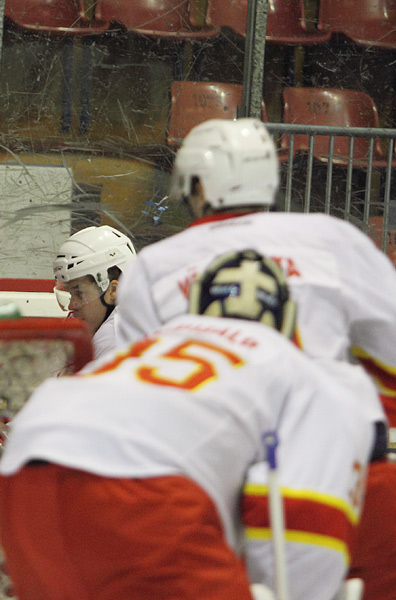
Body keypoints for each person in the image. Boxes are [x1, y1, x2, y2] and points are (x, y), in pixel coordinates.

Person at [113, 117, 396, 600]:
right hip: (335, 460)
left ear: (196, 185)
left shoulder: (154, 265)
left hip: (218, 466)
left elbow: (146, 398)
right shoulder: (332, 239)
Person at [0, 249, 382, 600]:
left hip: (25, 477)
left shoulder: (156, 339)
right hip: (137, 493)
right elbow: (300, 527)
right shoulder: (297, 368)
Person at [52, 225, 136, 361]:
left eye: (79, 293)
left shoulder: (114, 343)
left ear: (113, 291)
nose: (71, 306)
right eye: (70, 293)